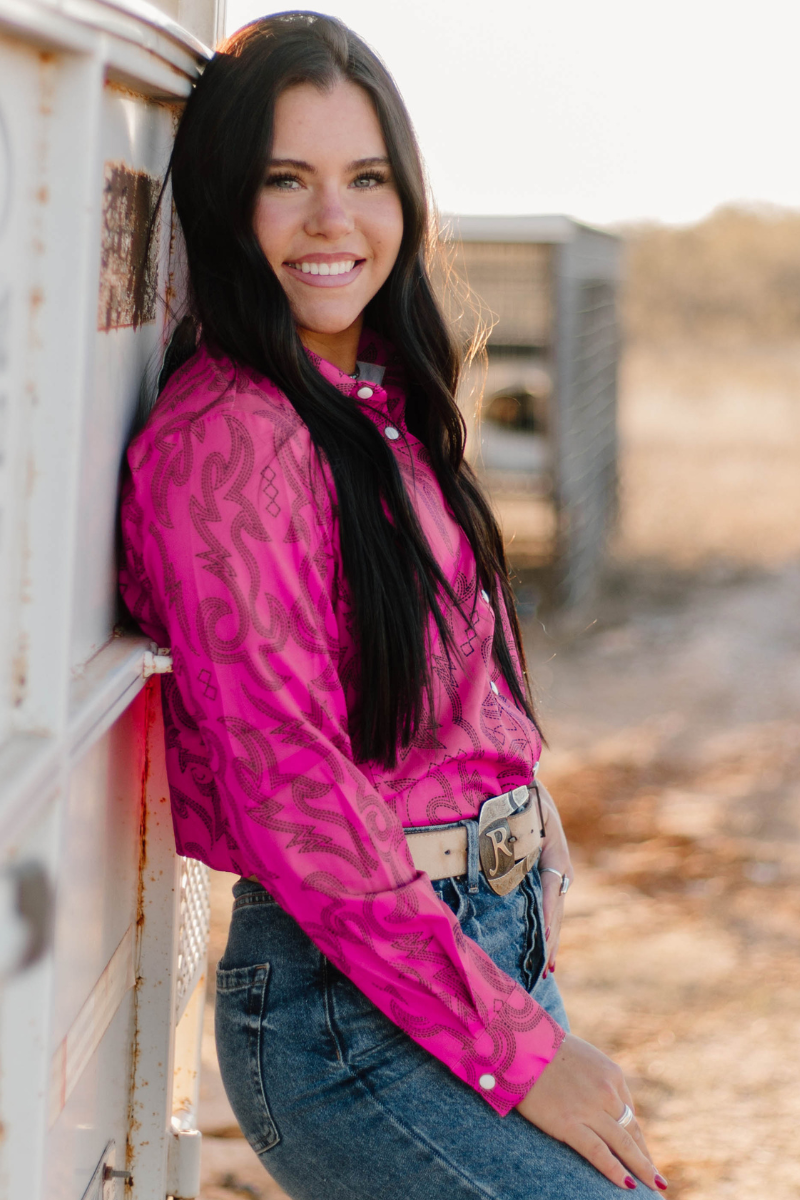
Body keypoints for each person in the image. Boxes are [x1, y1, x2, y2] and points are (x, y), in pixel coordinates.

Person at [119, 12, 667, 1198]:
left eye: (367, 178)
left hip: (479, 939)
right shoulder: (225, 444)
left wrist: (527, 810)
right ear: (225, 200)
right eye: (286, 180)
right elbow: (291, 790)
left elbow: (447, 656)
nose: (335, 220)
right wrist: (522, 1055)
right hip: (345, 1014)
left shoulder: (372, 399)